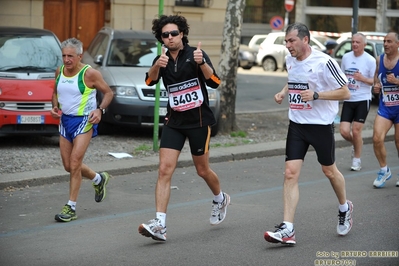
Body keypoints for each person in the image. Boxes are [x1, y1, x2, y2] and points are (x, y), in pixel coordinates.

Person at [138, 15, 230, 241]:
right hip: (174, 122)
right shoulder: (162, 59)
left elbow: (215, 83)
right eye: (165, 35)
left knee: (202, 170)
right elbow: (149, 82)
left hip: (198, 122)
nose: (170, 38)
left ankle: (220, 198)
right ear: (161, 38)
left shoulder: (195, 55)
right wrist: (156, 67)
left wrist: (202, 63)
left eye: (174, 34)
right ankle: (160, 224)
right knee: (164, 170)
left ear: (182, 34)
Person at [264, 23, 353, 245]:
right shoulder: (290, 60)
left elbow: (346, 92)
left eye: (291, 41)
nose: (288, 45)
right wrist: (283, 92)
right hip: (296, 124)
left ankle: (345, 206)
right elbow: (293, 78)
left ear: (305, 40)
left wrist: (317, 95)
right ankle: (288, 229)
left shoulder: (325, 62)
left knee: (329, 171)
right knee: (290, 173)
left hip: (320, 125)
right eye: (286, 41)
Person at [50, 38, 114, 222]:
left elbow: (108, 93)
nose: (66, 59)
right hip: (65, 121)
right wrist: (55, 107)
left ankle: (70, 207)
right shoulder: (59, 71)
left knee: (76, 162)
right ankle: (98, 179)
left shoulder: (90, 73)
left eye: (70, 56)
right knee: (68, 166)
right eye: (64, 56)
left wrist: (100, 110)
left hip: (84, 121)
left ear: (79, 55)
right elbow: (55, 92)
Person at [339, 33, 376, 171]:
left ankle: (357, 160)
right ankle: (356, 143)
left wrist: (362, 78)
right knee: (343, 131)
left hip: (362, 99)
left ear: (364, 44)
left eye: (357, 42)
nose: (354, 44)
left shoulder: (370, 60)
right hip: (349, 98)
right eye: (353, 42)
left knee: (356, 130)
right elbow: (342, 77)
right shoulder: (346, 57)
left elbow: (374, 82)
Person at [372, 32, 399, 188]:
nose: (386, 44)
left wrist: (396, 81)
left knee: (398, 141)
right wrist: (376, 86)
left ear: (397, 44)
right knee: (377, 138)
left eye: (389, 41)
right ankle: (384, 170)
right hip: (386, 107)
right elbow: (376, 77)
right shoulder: (379, 60)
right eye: (384, 41)